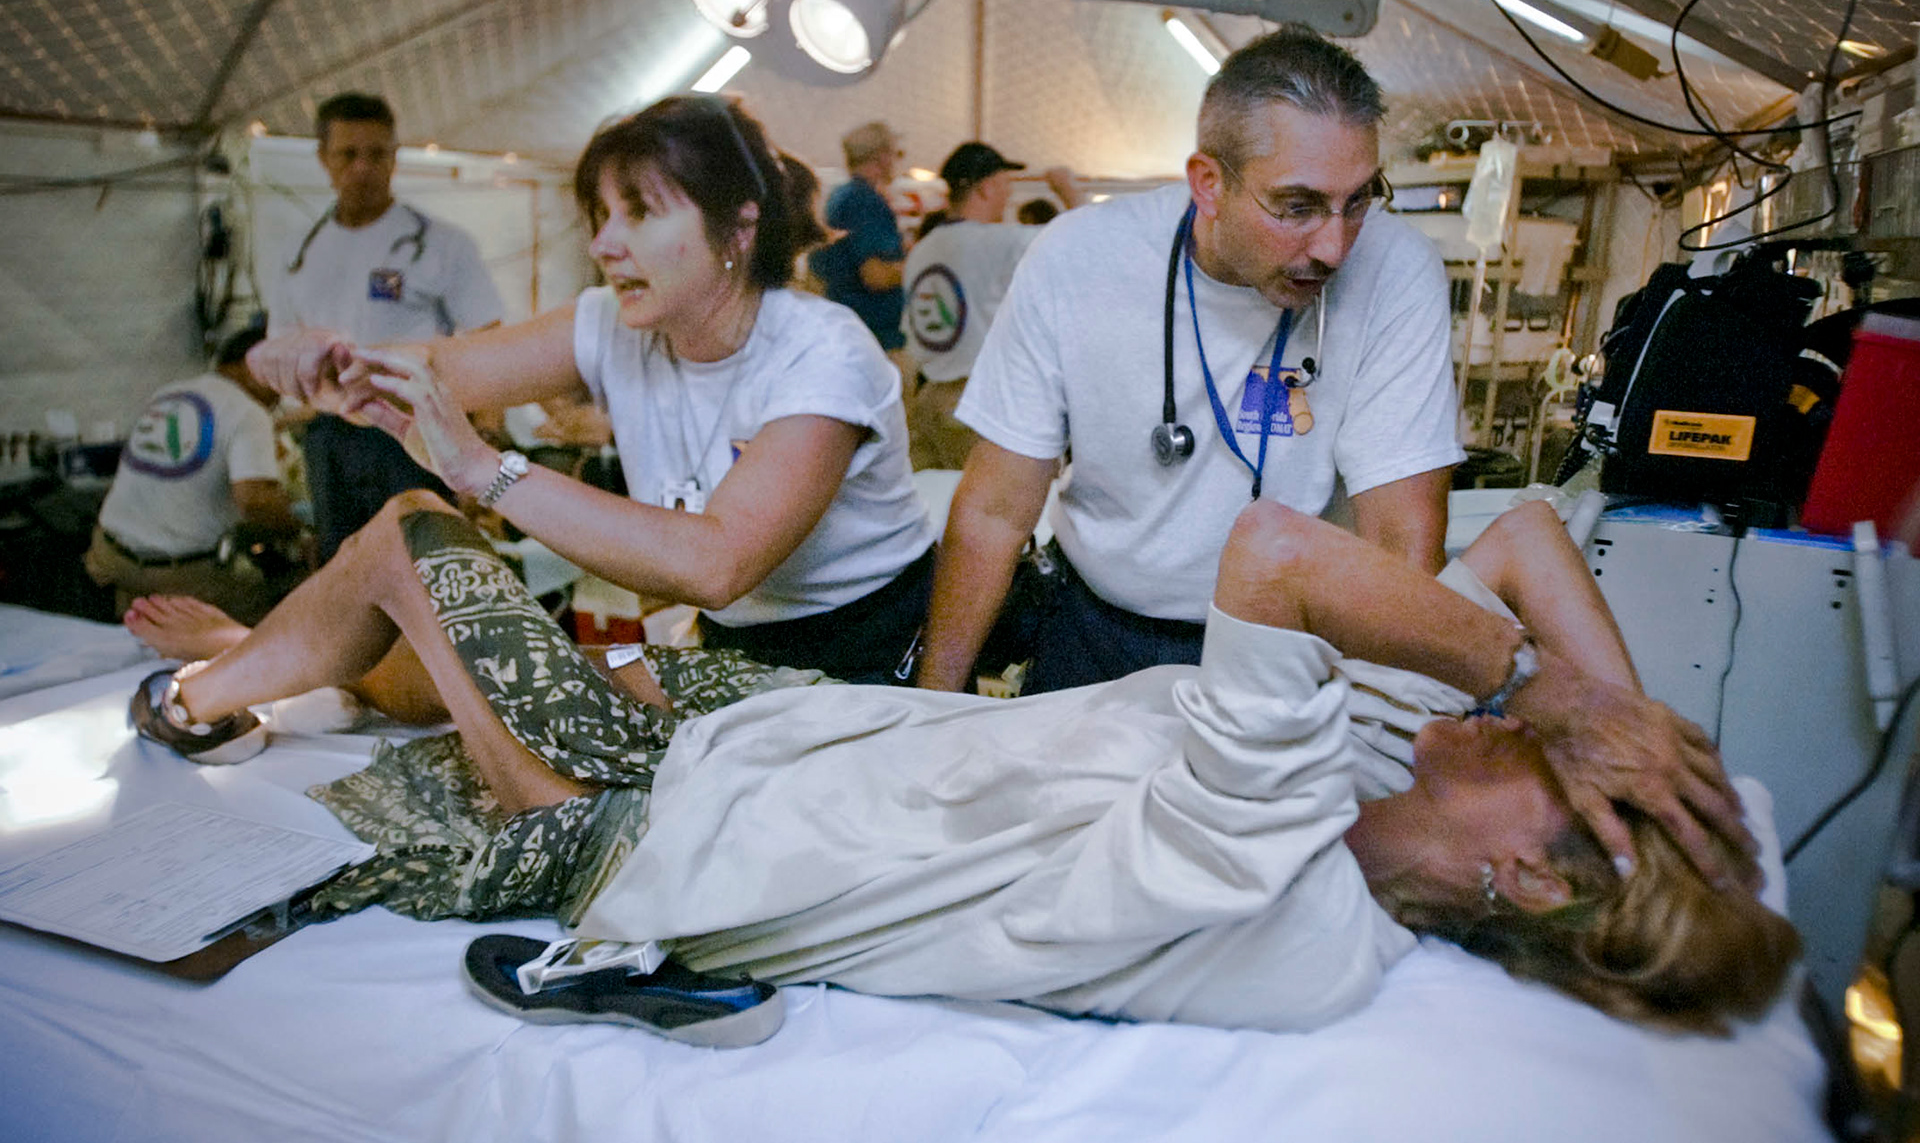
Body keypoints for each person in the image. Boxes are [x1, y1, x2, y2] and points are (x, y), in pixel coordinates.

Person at [128, 494, 1786, 1042]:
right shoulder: (1370, 775)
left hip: (643, 839)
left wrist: (1536, 687)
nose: (1512, 721)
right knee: (579, 632)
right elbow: (1524, 533)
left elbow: (1281, 553)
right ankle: (303, 642)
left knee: (419, 534)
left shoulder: (1279, 871)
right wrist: (1603, 725)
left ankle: (219, 684)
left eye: (1548, 770)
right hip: (765, 735)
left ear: (1524, 875)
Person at [243, 93, 935, 694]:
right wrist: (327, 358)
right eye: (601, 214)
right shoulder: (609, 322)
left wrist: (484, 469)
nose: (604, 243)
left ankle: (233, 665)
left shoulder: (824, 353)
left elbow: (716, 563)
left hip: (862, 662)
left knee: (499, 686)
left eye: (638, 213)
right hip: (731, 650)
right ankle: (249, 663)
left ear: (739, 228)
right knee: (453, 661)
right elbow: (441, 364)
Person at [916, 26, 1463, 698]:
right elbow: (995, 511)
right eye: (1297, 207)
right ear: (1208, 183)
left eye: (1357, 201)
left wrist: (1386, 730)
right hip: (1092, 629)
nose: (1332, 247)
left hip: (1284, 643)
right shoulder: (1079, 258)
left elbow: (1401, 533)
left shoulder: (1398, 270)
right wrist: (931, 707)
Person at [266, 92, 507, 561]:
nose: (362, 168)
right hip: (329, 435)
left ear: (395, 157)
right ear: (323, 159)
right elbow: (283, 347)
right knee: (346, 566)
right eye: (348, 154)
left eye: (376, 154)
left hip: (411, 429)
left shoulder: (439, 245)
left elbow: (489, 337)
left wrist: (486, 441)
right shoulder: (299, 254)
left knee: (426, 564)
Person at [82, 324, 303, 623]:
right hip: (174, 572)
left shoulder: (171, 392)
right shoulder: (248, 413)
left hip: (110, 555)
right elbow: (256, 502)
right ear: (252, 366)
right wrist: (297, 530)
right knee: (281, 605)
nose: (285, 388)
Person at [900, 145, 1081, 470]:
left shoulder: (921, 250)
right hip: (981, 403)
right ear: (985, 187)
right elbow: (1080, 237)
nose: (1008, 196)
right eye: (1005, 185)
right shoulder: (996, 243)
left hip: (928, 398)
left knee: (937, 504)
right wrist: (1068, 189)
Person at [808, 121, 908, 358]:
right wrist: (918, 266)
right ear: (881, 156)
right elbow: (876, 276)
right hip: (875, 338)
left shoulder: (840, 197)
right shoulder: (867, 203)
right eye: (894, 153)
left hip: (846, 329)